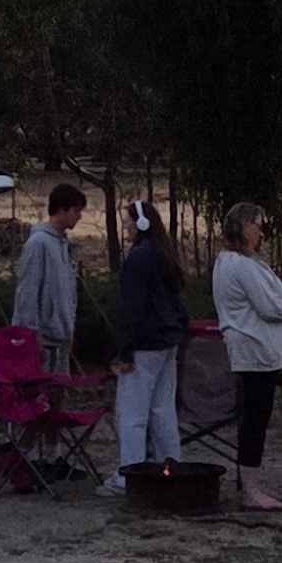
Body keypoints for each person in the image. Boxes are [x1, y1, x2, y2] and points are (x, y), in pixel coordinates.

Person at [207, 201, 282, 513]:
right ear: (244, 227)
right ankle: (250, 490)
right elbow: (270, 309)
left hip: (252, 347)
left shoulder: (232, 262)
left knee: (256, 416)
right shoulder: (240, 265)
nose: (261, 231)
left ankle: (251, 483)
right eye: (257, 224)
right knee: (255, 418)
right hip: (254, 349)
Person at [111, 202, 188, 476]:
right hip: (166, 343)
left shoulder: (138, 258)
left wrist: (125, 350)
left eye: (129, 221)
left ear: (142, 223)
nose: (126, 227)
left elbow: (132, 308)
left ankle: (129, 475)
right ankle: (169, 467)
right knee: (162, 410)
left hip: (143, 344)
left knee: (132, 415)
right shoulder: (163, 254)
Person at [11, 180, 86, 361]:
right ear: (62, 210)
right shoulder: (38, 244)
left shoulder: (63, 244)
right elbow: (28, 291)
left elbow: (68, 291)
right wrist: (31, 334)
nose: (79, 216)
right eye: (76, 211)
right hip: (42, 339)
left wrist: (69, 329)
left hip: (60, 337)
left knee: (59, 387)